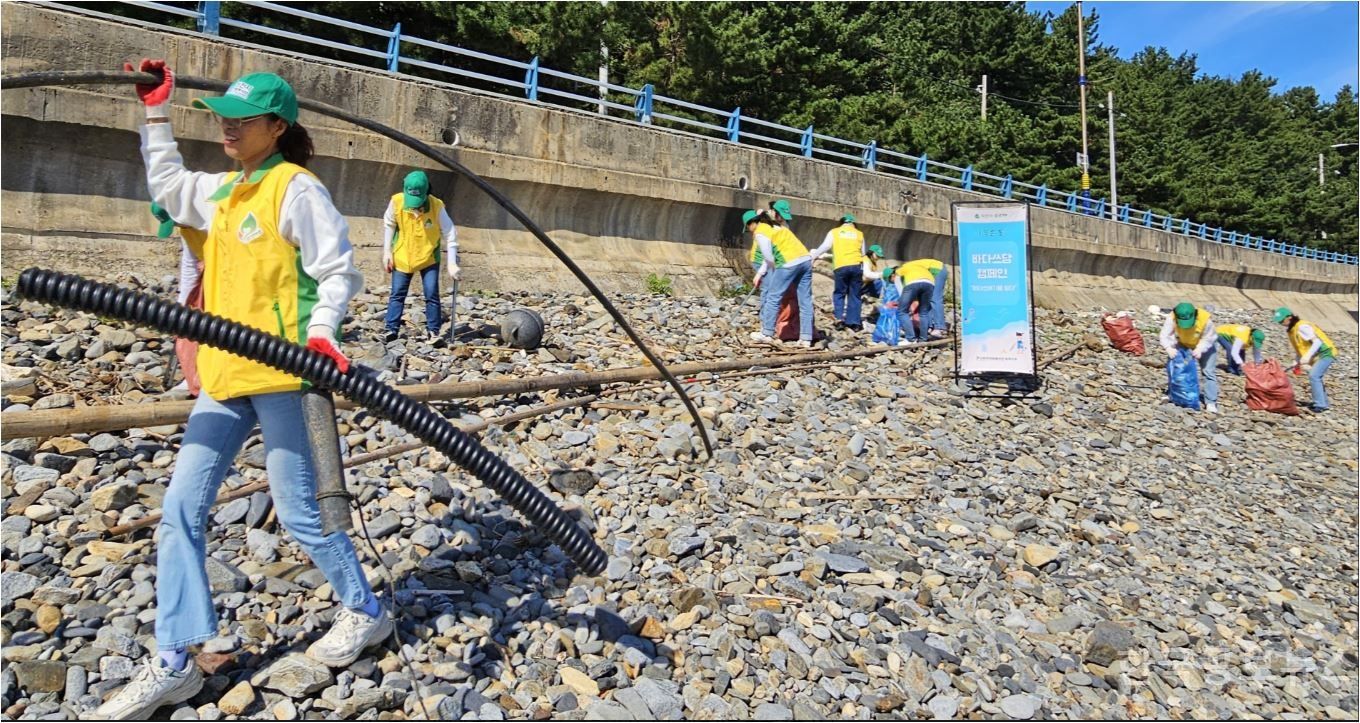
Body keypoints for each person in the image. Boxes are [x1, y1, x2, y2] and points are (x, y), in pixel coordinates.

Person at [95, 60, 389, 720]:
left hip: (284, 375)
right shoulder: (225, 192)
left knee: (302, 514)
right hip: (226, 377)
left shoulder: (296, 189)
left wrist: (321, 332)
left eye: (241, 120)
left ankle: (366, 610)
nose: (227, 127)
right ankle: (175, 657)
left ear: (277, 127)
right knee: (179, 509)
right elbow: (169, 186)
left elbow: (337, 269)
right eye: (223, 118)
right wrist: (155, 112)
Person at [382, 170, 458, 344]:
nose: (414, 205)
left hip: (428, 257)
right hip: (402, 255)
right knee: (397, 294)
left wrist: (451, 263)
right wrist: (386, 252)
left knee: (431, 294)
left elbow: (450, 233)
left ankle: (433, 332)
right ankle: (390, 329)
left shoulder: (437, 206)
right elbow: (389, 224)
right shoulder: (397, 201)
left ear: (426, 193)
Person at [152, 202, 207, 397]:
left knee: (217, 332)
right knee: (191, 329)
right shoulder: (188, 231)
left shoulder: (214, 219)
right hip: (206, 277)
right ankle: (193, 377)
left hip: (230, 279)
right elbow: (189, 265)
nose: (179, 228)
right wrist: (182, 306)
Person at [750, 199, 814, 347]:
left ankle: (766, 333)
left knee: (773, 297)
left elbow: (768, 257)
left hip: (788, 263)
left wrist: (769, 270)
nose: (781, 218)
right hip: (805, 261)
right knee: (805, 300)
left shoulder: (761, 230)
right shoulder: (782, 228)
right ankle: (806, 338)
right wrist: (760, 273)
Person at [1158, 301, 1219, 413]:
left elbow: (1209, 338)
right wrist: (1169, 348)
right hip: (1184, 342)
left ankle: (1210, 402)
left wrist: (1200, 349)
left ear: (1195, 316)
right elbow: (1165, 335)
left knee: (1208, 372)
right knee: (1175, 367)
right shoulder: (1172, 318)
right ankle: (1173, 393)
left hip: (1207, 344)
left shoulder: (1205, 320)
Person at [810, 213, 866, 330]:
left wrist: (814, 256)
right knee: (855, 295)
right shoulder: (859, 234)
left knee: (840, 293)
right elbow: (863, 253)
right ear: (853, 224)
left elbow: (825, 246)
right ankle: (854, 323)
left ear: (842, 223)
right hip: (856, 266)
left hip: (841, 266)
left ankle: (839, 319)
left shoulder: (834, 232)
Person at [1274, 307, 1336, 412]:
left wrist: (1307, 356)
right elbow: (1301, 347)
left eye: (1281, 320)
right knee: (1317, 377)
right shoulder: (1292, 330)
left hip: (1326, 353)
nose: (1280, 323)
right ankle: (1323, 403)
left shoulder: (1302, 326)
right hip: (1317, 355)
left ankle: (1320, 405)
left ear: (1289, 317)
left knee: (1314, 376)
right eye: (1279, 322)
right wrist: (1297, 360)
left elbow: (1317, 342)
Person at [900, 257, 949, 338]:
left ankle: (940, 327)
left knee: (935, 298)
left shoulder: (901, 275)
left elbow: (905, 297)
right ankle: (929, 326)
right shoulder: (904, 272)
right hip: (928, 274)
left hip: (937, 269)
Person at [889, 261, 935, 344]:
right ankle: (923, 340)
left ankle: (910, 339)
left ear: (892, 275)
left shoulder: (898, 271)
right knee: (924, 313)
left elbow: (900, 290)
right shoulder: (912, 267)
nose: (892, 282)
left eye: (891, 281)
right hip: (930, 282)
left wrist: (901, 301)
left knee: (902, 311)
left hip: (913, 282)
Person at [744, 209, 777, 308]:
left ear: (753, 223)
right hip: (760, 261)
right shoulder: (760, 230)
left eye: (748, 226)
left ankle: (767, 314)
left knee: (768, 287)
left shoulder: (762, 228)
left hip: (765, 261)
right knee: (767, 288)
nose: (749, 229)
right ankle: (765, 314)